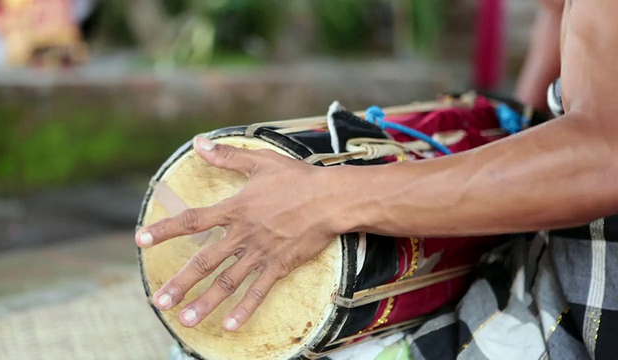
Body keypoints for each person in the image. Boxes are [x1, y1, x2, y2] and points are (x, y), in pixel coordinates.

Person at [137, 0, 617, 358]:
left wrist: (322, 200)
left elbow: (604, 153)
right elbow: (564, 21)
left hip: (584, 308)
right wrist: (501, 121)